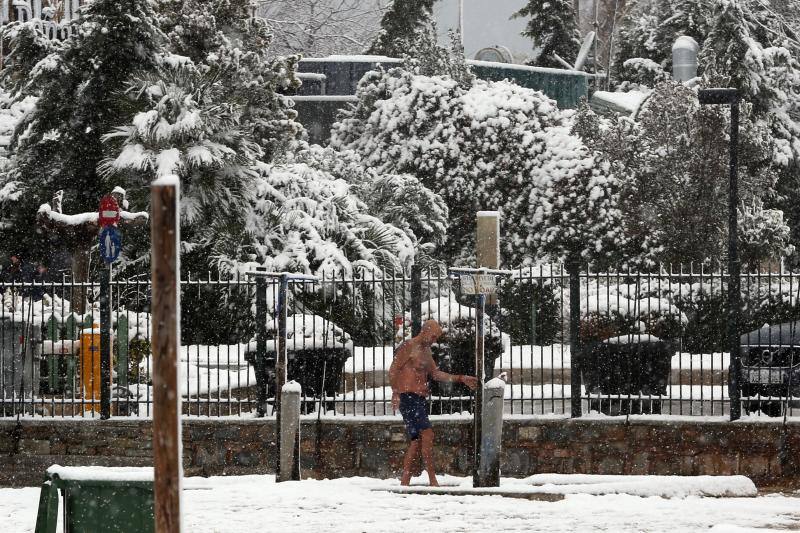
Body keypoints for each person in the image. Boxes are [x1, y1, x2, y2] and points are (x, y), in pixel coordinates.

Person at [389, 319, 479, 486]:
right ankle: (432, 479)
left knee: (416, 441)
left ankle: (405, 480)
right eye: (433, 336)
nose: (434, 340)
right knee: (428, 435)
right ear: (425, 331)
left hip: (418, 399)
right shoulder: (409, 346)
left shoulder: (426, 352)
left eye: (436, 337)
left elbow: (436, 374)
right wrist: (395, 392)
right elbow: (393, 369)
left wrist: (460, 378)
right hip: (408, 397)